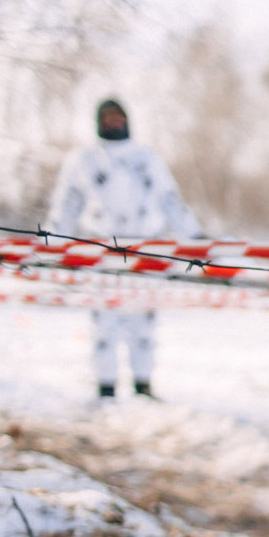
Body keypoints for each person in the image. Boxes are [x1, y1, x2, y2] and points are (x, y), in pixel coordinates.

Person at [47, 97, 202, 400]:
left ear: (127, 120)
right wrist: (52, 243)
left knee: (142, 322)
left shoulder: (146, 157)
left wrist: (195, 238)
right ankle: (106, 387)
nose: (113, 122)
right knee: (105, 323)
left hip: (144, 250)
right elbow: (67, 203)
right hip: (101, 251)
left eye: (118, 117)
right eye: (107, 117)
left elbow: (169, 200)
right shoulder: (84, 159)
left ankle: (143, 384)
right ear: (98, 122)